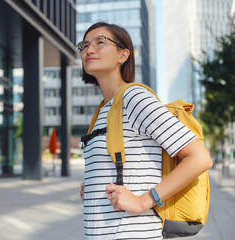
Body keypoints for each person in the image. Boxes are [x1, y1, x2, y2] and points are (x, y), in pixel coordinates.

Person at [78, 22, 212, 240]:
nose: (88, 50)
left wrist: (143, 201)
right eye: (84, 45)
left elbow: (200, 158)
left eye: (99, 42)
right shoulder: (103, 110)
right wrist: (94, 186)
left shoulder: (135, 98)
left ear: (123, 54)